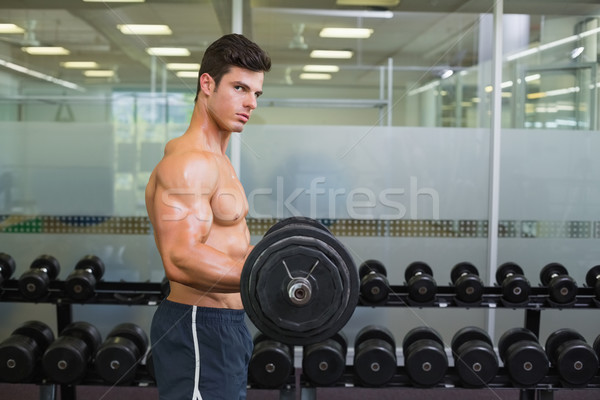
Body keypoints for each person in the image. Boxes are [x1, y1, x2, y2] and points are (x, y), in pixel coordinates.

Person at [145, 33, 271, 400]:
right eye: (239, 88)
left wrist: (278, 262)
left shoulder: (220, 160)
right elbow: (181, 259)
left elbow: (226, 247)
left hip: (225, 324)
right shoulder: (190, 162)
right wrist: (265, 282)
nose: (251, 103)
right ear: (207, 84)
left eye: (256, 94)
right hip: (200, 325)